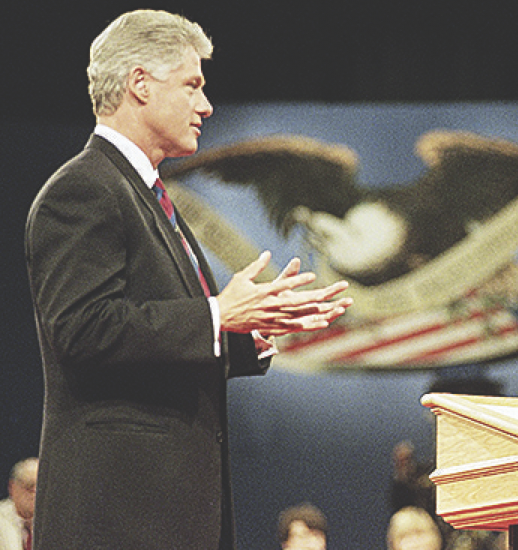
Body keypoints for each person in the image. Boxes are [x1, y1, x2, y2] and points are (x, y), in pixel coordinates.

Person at [25, 10, 352, 550]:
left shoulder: (146, 195)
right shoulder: (82, 190)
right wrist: (219, 314)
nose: (206, 105)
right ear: (139, 85)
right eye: (192, 85)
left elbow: (157, 341)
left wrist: (255, 332)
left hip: (167, 516)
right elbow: (82, 329)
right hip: (118, 519)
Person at [0, 458, 38, 550]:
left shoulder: (55, 520)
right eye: (29, 486)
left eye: (40, 489)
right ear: (12, 487)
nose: (34, 494)